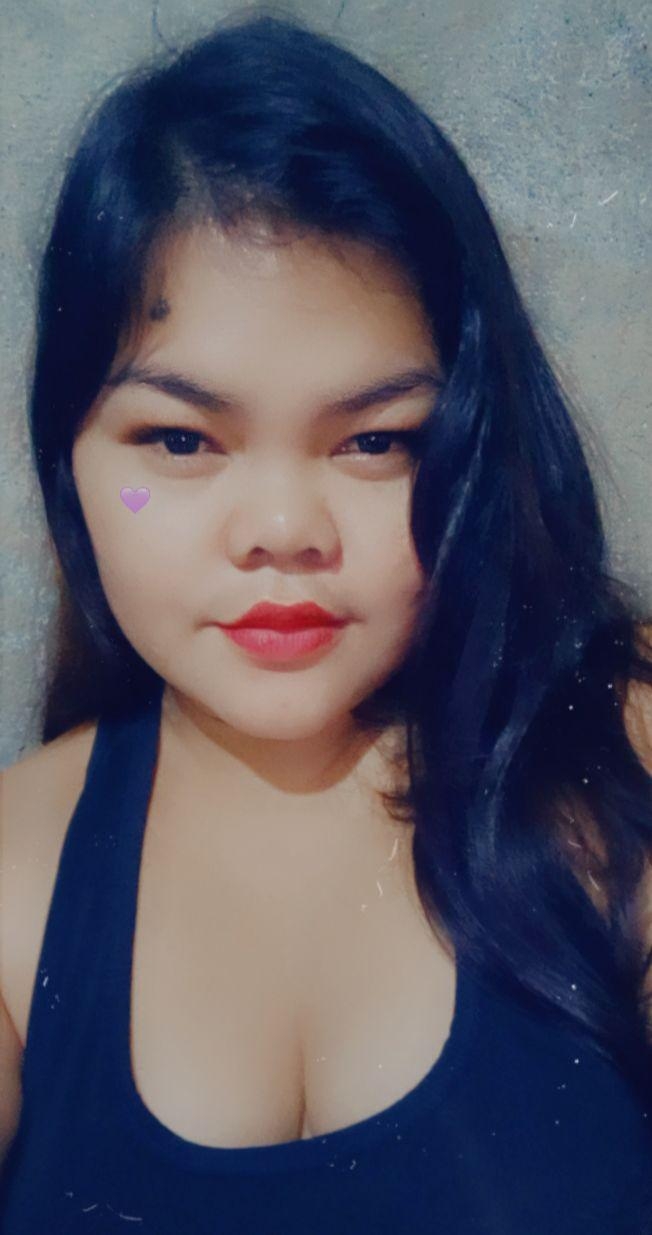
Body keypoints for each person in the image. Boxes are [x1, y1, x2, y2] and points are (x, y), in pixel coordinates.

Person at [1, 10, 651, 1233]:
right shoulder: (13, 875)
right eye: (178, 439)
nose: (283, 529)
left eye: (376, 440)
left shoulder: (615, 764)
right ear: (68, 460)